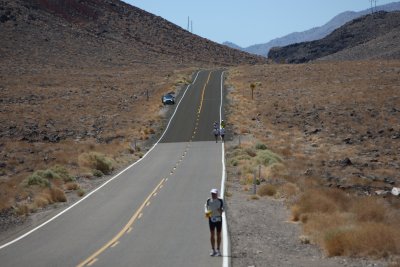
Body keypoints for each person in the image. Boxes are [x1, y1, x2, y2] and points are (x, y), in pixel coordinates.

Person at [205, 188, 224, 257]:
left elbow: (223, 210)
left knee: (218, 234)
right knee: (212, 234)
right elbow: (206, 208)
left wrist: (220, 210)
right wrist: (208, 214)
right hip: (211, 219)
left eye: (214, 194)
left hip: (218, 219)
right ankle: (213, 250)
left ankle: (218, 250)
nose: (213, 195)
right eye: (212, 193)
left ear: (217, 194)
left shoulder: (220, 201)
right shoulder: (208, 201)